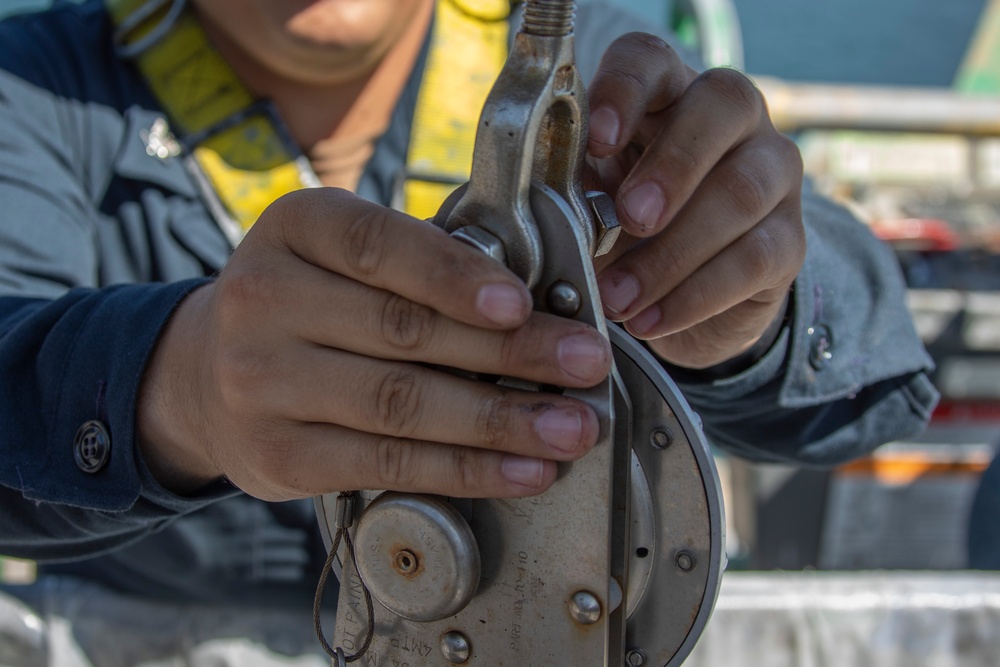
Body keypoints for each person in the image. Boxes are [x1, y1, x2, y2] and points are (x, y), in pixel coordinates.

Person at [0, 0, 937, 663]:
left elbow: (872, 359)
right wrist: (176, 388)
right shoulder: (27, 89)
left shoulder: (598, 68)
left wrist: (755, 313)